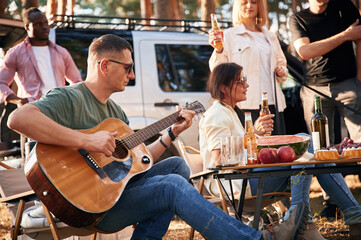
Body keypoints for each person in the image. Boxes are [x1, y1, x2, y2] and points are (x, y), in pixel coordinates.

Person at [8, 34, 307, 240]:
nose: (132, 75)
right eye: (128, 68)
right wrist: (86, 141)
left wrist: (171, 134)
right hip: (86, 202)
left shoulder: (115, 112)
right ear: (104, 66)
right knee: (173, 186)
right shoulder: (69, 98)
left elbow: (136, 162)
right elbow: (17, 119)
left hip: (114, 191)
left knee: (177, 168)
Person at [199, 62, 361, 240]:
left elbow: (243, 149)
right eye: (241, 80)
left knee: (304, 149)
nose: (247, 85)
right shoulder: (217, 114)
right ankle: (331, 218)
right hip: (238, 186)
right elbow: (218, 158)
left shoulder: (229, 112)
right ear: (224, 87)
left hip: (246, 179)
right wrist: (253, 139)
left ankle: (303, 221)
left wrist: (256, 137)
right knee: (303, 150)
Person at [208, 0, 288, 135]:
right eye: (244, 2)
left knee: (275, 151)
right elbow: (218, 70)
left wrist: (281, 72)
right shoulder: (228, 35)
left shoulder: (270, 36)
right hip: (244, 105)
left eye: (254, 2)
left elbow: (282, 66)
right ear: (238, 6)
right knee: (250, 150)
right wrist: (219, 49)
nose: (249, 6)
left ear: (259, 6)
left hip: (272, 103)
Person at [289, 0, 361, 144]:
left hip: (348, 85)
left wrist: (359, 79)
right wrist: (345, 35)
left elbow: (359, 38)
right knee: (320, 146)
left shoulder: (344, 7)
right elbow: (305, 51)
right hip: (314, 91)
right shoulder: (298, 19)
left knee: (359, 141)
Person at [0, 7, 82, 106]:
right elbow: (1, 83)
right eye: (38, 24)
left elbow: (77, 82)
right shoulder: (15, 53)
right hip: (31, 110)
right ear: (27, 27)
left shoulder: (61, 52)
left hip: (59, 109)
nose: (44, 27)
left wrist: (69, 101)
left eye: (46, 23)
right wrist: (19, 101)